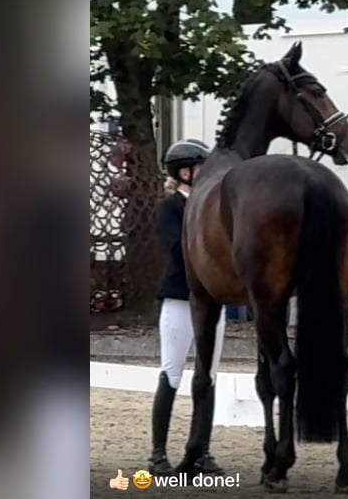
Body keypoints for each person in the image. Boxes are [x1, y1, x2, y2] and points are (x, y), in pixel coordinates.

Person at [149, 139, 227, 477]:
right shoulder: (170, 208)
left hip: (213, 299)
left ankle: (201, 452)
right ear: (184, 172)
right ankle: (158, 454)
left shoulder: (213, 207)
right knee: (172, 373)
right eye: (200, 168)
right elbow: (178, 249)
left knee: (208, 376)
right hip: (181, 299)